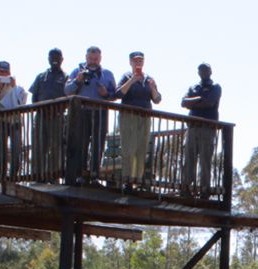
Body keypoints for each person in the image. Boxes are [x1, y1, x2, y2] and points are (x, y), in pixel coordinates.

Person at [64, 46, 116, 182]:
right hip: (82, 112)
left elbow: (114, 95)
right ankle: (81, 174)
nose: (93, 61)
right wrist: (77, 80)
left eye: (96, 59)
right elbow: (67, 90)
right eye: (91, 58)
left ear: (100, 58)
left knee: (98, 144)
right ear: (86, 58)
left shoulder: (108, 74)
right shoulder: (77, 71)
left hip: (100, 112)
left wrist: (106, 94)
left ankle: (94, 175)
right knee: (82, 143)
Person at [115, 51, 161, 191]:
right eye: (135, 61)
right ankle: (128, 180)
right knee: (129, 148)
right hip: (129, 117)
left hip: (145, 117)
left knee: (141, 149)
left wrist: (153, 88)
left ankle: (138, 180)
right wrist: (132, 80)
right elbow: (118, 93)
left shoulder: (149, 79)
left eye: (141, 60)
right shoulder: (126, 76)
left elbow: (157, 99)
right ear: (130, 62)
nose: (138, 63)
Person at [181, 63, 221, 197]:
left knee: (205, 160)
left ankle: (204, 190)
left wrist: (193, 102)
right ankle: (186, 187)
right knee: (189, 158)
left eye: (206, 70)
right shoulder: (193, 87)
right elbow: (183, 102)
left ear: (211, 71)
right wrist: (199, 98)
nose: (203, 72)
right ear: (198, 73)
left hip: (207, 129)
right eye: (201, 70)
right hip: (192, 128)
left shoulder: (215, 87)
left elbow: (209, 102)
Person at [29, 48, 67, 178]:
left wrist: (57, 111)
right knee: (38, 146)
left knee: (56, 147)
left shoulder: (66, 77)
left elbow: (68, 99)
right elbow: (34, 98)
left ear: (62, 59)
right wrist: (41, 110)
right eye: (52, 57)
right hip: (40, 117)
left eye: (57, 57)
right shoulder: (40, 77)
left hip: (57, 117)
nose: (55, 59)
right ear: (48, 59)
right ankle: (37, 176)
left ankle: (54, 176)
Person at [0, 61, 28, 179]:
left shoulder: (17, 87)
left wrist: (13, 87)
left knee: (17, 150)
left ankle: (14, 176)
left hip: (15, 122)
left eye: (5, 73)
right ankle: (1, 177)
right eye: (0, 72)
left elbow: (22, 101)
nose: (3, 75)